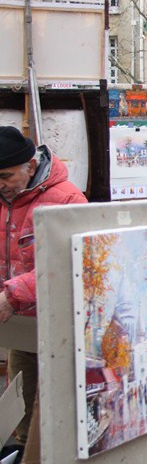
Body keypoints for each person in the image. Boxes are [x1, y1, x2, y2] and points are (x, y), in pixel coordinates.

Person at [0, 126, 86, 446]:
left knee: (59, 409)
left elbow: (69, 262)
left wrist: (12, 294)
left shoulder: (66, 199)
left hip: (61, 327)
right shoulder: (3, 198)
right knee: (22, 406)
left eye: (6, 176)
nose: (1, 185)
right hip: (22, 327)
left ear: (31, 166)